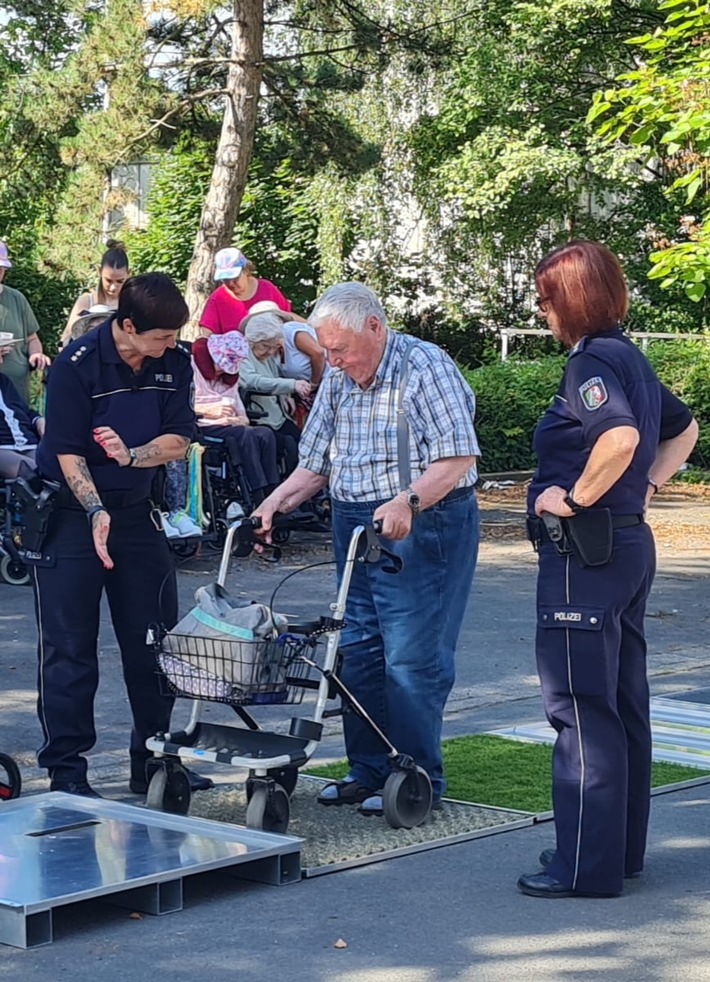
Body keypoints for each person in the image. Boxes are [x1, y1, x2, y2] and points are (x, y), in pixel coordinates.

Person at [254, 281, 481, 814]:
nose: (331, 361)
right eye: (327, 350)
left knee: (410, 655)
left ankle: (416, 775)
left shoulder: (426, 368)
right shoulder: (337, 375)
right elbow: (314, 464)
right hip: (356, 520)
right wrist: (271, 505)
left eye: (341, 350)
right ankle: (369, 769)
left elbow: (456, 458)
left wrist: (407, 501)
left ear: (375, 328)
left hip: (424, 518)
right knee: (355, 646)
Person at [517, 240, 698, 900]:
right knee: (622, 704)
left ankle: (582, 869)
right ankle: (616, 852)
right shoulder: (630, 357)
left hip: (583, 554)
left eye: (545, 299)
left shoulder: (591, 360)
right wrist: (646, 488)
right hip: (627, 547)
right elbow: (684, 428)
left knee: (580, 709)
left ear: (570, 298)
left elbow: (617, 437)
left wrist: (575, 496)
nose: (542, 312)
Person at [29, 272, 213, 798]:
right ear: (127, 326)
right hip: (71, 518)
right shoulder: (76, 365)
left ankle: (153, 760)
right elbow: (66, 450)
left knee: (155, 644)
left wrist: (133, 457)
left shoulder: (173, 364)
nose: (169, 347)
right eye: (159, 338)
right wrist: (94, 511)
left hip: (136, 517)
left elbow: (179, 439)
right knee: (69, 650)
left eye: (174, 337)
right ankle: (67, 772)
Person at [192, 332, 281, 506]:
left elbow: (239, 408)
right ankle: (257, 494)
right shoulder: (191, 370)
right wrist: (212, 409)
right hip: (204, 425)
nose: (222, 369)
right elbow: (183, 406)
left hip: (231, 424)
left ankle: (273, 491)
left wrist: (241, 418)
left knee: (265, 433)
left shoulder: (230, 377)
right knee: (244, 435)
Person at [240, 313, 312, 475]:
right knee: (289, 445)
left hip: (278, 416)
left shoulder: (267, 356)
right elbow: (251, 381)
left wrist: (286, 396)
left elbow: (275, 377)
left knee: (306, 442)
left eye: (274, 347)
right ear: (253, 340)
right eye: (266, 346)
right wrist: (292, 385)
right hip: (259, 418)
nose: (271, 351)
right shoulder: (243, 354)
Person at [199, 247, 303, 337]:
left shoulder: (266, 288)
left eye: (234, 277)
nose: (231, 283)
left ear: (246, 270)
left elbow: (287, 316)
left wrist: (310, 327)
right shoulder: (217, 298)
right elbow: (207, 335)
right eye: (225, 279)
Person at [0, 240, 51, 402]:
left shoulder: (16, 298)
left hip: (17, 390)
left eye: (0, 270)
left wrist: (36, 354)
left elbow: (32, 338)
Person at [60, 241, 130, 347]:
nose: (113, 287)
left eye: (120, 281)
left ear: (129, 274)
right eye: (108, 280)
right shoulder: (86, 300)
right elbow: (67, 336)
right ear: (99, 271)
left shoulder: (132, 302)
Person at [0, 372, 44, 479]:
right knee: (35, 473)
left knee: (59, 468)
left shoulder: (4, 381)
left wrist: (39, 421)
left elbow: (24, 411)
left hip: (29, 443)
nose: (1, 362)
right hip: (2, 447)